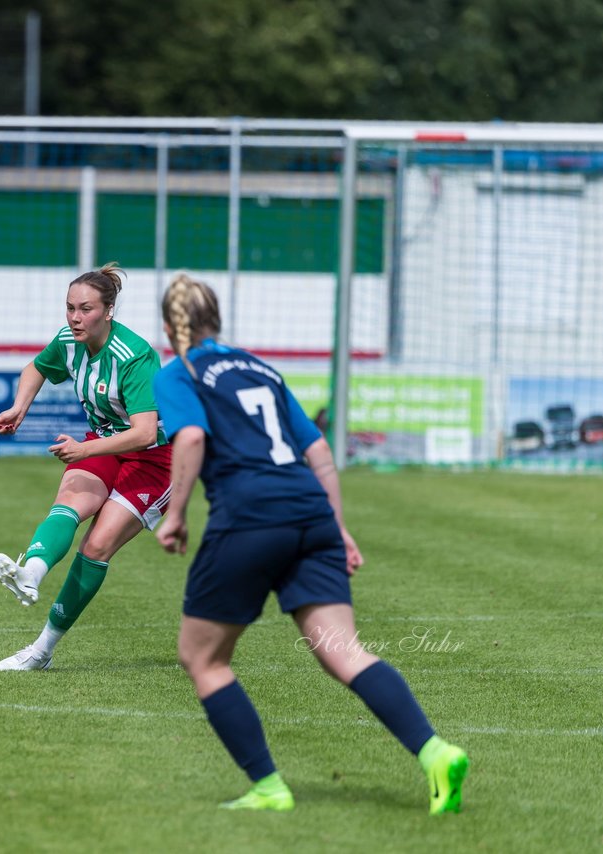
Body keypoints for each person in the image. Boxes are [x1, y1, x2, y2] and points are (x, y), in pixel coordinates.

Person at [152, 272, 469, 814]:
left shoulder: (177, 372)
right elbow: (319, 452)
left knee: (202, 658)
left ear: (168, 327)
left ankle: (269, 787)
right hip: (310, 511)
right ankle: (435, 752)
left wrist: (175, 513)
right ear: (218, 319)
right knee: (344, 651)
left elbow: (192, 436)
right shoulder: (259, 367)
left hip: (250, 516)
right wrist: (338, 526)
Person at [0, 263, 171, 671]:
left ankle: (41, 652)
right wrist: (20, 407)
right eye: (69, 307)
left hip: (156, 460)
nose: (74, 317)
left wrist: (85, 452)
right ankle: (29, 573)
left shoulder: (136, 356)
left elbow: (143, 433)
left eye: (85, 309)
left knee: (97, 545)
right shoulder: (68, 340)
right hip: (105, 442)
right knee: (70, 501)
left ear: (108, 311)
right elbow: (35, 368)